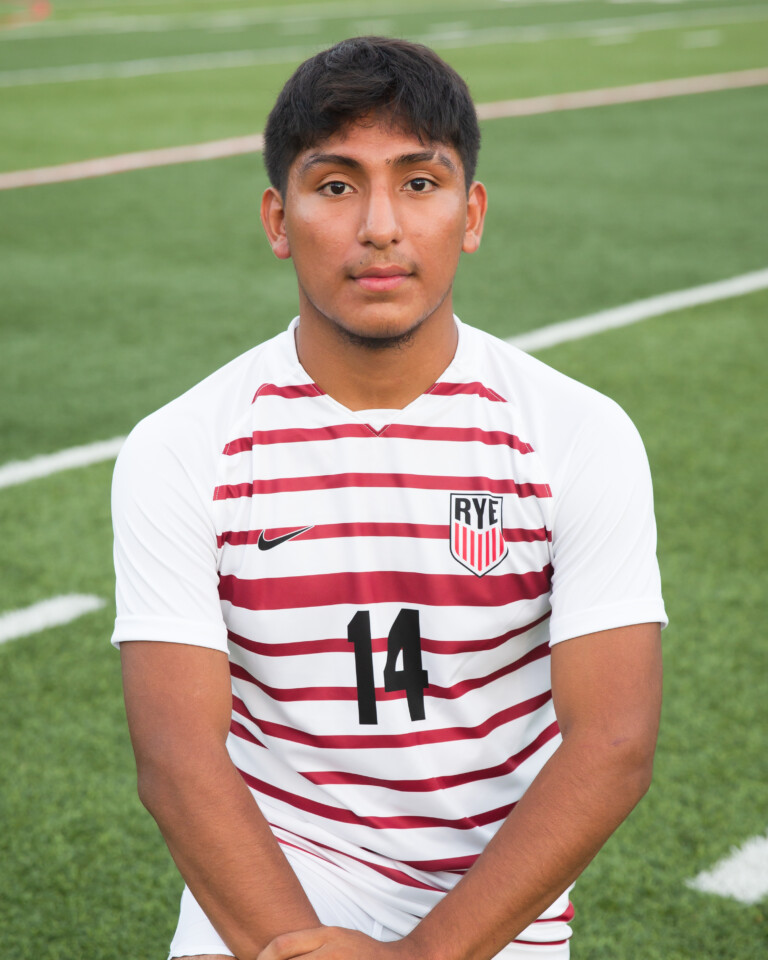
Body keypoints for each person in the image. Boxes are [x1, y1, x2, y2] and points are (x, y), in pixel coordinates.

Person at [112, 36, 666, 960]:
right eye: (335, 185)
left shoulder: (576, 432)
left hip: (496, 910)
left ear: (472, 212)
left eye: (419, 182)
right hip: (270, 891)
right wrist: (297, 943)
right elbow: (177, 758)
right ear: (277, 218)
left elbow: (611, 742)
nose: (380, 226)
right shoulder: (183, 445)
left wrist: (422, 958)